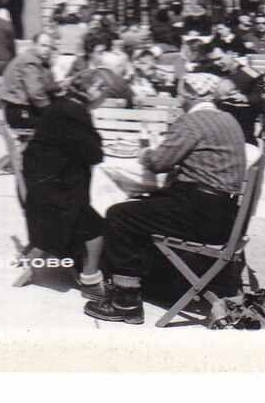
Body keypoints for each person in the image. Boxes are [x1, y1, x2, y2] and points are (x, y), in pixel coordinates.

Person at [84, 72, 247, 324]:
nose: (179, 100)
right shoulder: (228, 119)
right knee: (144, 206)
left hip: (201, 214)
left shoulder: (193, 121)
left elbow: (159, 162)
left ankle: (126, 301)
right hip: (226, 215)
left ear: (192, 95)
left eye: (181, 95)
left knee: (120, 215)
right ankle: (151, 281)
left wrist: (145, 153)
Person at [18, 70, 109, 294]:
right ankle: (90, 280)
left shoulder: (63, 105)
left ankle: (78, 264)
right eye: (105, 94)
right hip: (55, 192)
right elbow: (95, 155)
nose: (105, 99)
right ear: (94, 91)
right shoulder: (75, 112)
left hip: (41, 183)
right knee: (97, 227)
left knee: (88, 215)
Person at [209, 46, 265, 144]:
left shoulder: (250, 72)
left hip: (243, 125)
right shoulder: (215, 71)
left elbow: (259, 97)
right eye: (213, 60)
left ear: (231, 54)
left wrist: (245, 98)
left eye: (219, 58)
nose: (216, 63)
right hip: (219, 124)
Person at [1, 33, 58, 130]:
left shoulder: (36, 59)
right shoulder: (29, 62)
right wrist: (50, 111)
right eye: (43, 45)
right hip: (19, 112)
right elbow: (36, 93)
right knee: (60, 123)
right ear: (34, 45)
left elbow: (45, 85)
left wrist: (58, 86)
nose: (47, 49)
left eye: (50, 47)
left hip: (24, 107)